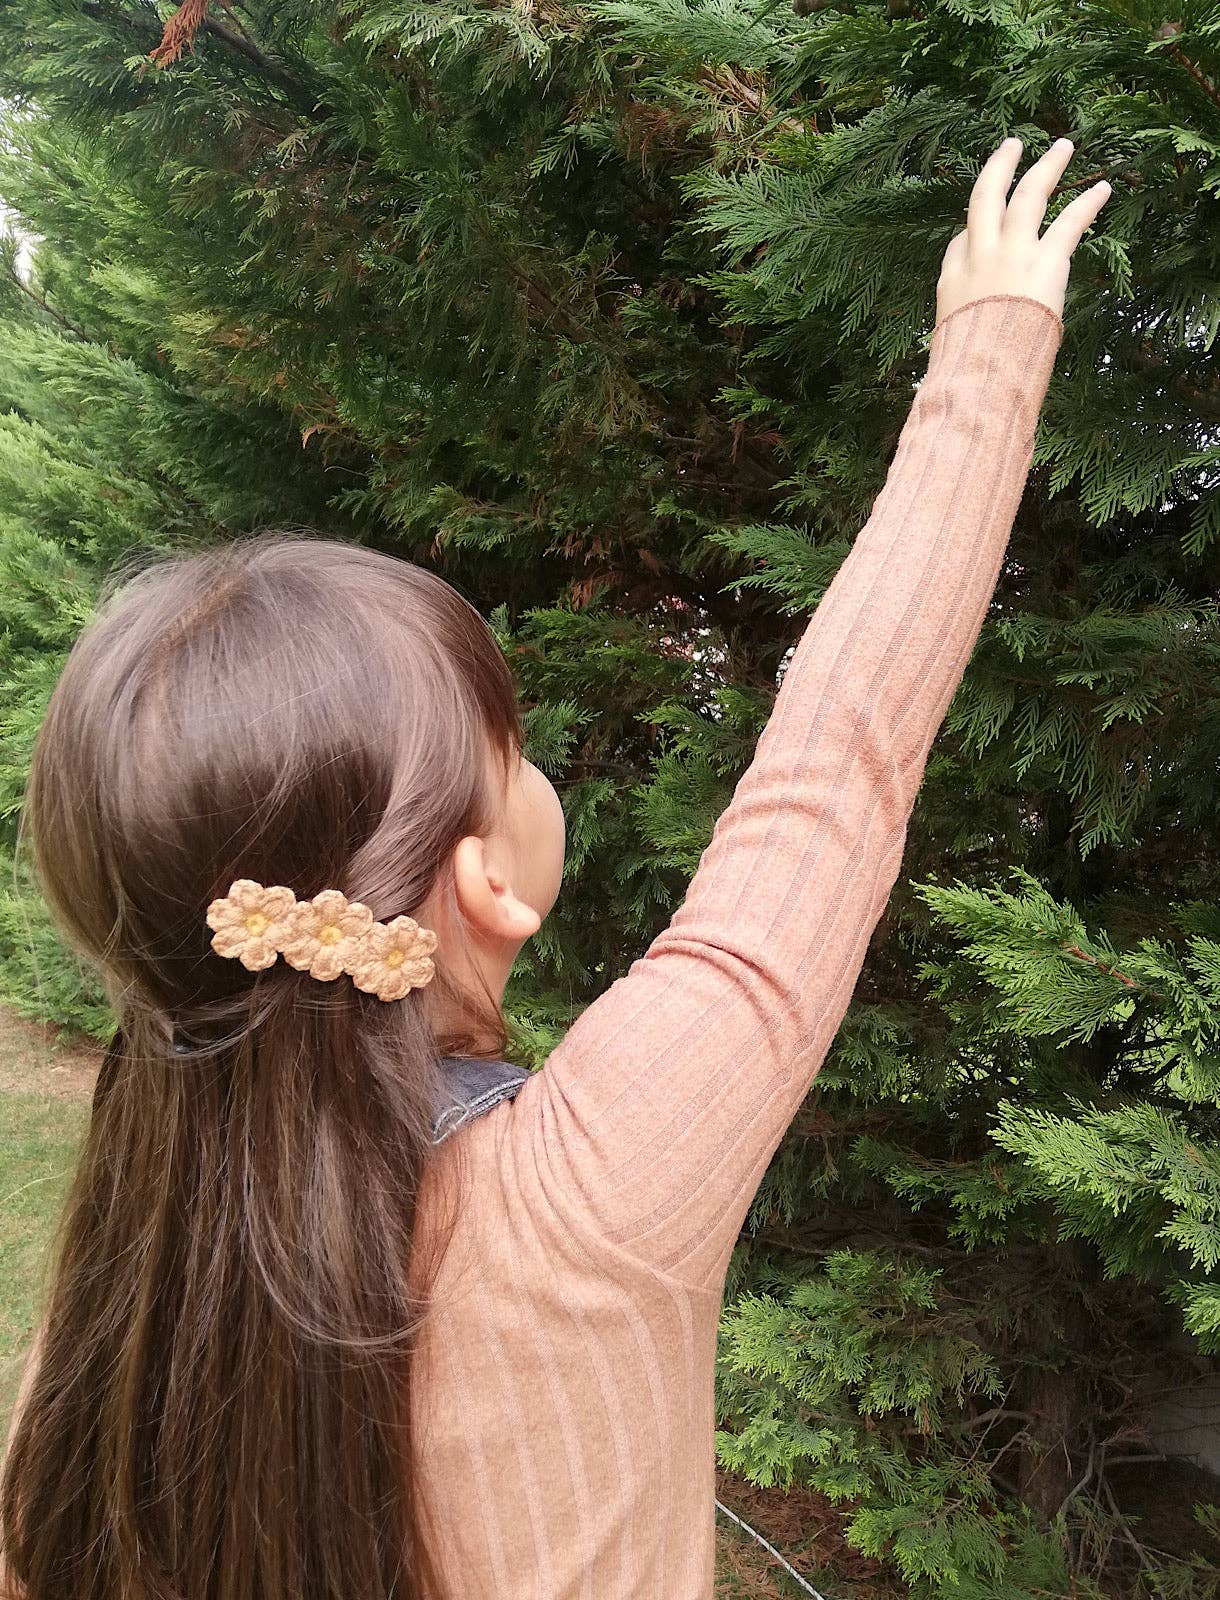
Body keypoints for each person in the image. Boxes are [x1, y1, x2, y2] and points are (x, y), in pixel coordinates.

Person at [0, 137, 1110, 1599]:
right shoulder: (594, 1194)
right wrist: (992, 341)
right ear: (488, 886)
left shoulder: (100, 1333)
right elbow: (837, 764)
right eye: (513, 744)